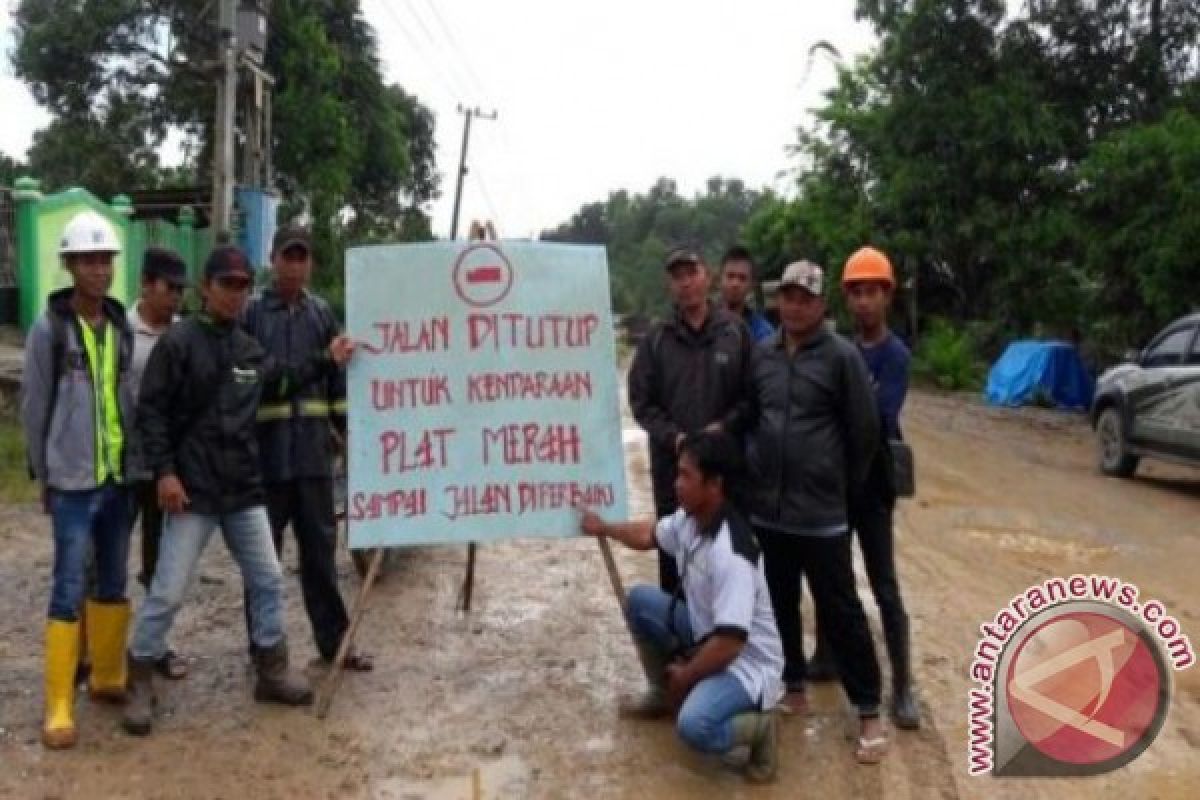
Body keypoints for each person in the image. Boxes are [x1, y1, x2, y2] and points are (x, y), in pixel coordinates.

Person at [122, 245, 356, 736]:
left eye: (242, 285)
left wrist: (326, 358)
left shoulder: (248, 349)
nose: (235, 293)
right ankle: (139, 678)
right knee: (167, 591)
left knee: (268, 579)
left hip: (244, 492)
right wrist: (165, 472)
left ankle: (271, 670)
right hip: (194, 494)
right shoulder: (179, 344)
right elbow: (152, 414)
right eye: (226, 284)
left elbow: (283, 381)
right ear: (205, 289)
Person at [746, 260, 889, 764]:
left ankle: (869, 710)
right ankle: (794, 686)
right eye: (787, 296)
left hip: (823, 513)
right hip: (770, 511)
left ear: (821, 305)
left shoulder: (841, 357)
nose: (795, 305)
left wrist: (841, 487)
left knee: (842, 610)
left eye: (805, 298)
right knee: (779, 603)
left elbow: (864, 432)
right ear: (777, 301)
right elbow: (751, 417)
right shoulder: (761, 355)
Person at [579, 431, 782, 783]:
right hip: (709, 636)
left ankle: (760, 728)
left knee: (694, 726)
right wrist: (605, 527)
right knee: (641, 602)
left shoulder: (731, 552)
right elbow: (648, 536)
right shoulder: (691, 521)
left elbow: (731, 643)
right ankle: (662, 693)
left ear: (715, 484)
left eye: (686, 475)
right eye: (678, 473)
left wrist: (687, 677)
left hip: (745, 661)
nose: (676, 483)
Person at [21, 210, 136, 749]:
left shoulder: (118, 325)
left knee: (112, 576)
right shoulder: (50, 329)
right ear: (69, 265)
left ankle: (108, 676)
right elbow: (34, 405)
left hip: (115, 478)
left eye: (105, 260)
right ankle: (60, 704)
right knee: (68, 584)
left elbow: (123, 399)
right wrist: (43, 473)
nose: (98, 269)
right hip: (70, 481)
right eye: (87, 260)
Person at [241, 225, 370, 671]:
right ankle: (264, 650)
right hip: (267, 461)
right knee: (263, 563)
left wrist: (349, 429)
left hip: (315, 461)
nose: (295, 265)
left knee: (320, 556)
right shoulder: (252, 314)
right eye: (287, 256)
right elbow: (259, 380)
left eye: (302, 257)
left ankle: (334, 644)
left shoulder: (321, 314)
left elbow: (338, 385)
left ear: (309, 263)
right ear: (272, 259)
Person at [628, 247, 755, 593]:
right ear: (670, 285)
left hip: (724, 474)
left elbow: (752, 397)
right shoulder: (656, 339)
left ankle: (724, 638)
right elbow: (641, 402)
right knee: (675, 552)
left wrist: (725, 428)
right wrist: (675, 439)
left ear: (707, 276)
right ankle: (677, 639)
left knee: (728, 555)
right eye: (677, 276)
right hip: (674, 470)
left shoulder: (735, 332)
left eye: (691, 273)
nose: (685, 283)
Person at [837, 246, 919, 728]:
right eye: (857, 292)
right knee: (833, 578)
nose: (865, 301)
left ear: (887, 296)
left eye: (872, 291)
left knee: (884, 585)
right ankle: (828, 657)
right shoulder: (842, 352)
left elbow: (879, 415)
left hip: (873, 487)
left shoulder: (896, 356)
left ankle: (903, 684)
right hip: (838, 482)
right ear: (848, 300)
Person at [126, 246, 189, 680]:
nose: (176, 297)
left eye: (181, 289)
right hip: (120, 464)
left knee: (159, 561)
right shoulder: (120, 332)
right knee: (103, 559)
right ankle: (99, 655)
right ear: (146, 284)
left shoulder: (184, 335)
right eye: (169, 287)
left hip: (165, 466)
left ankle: (154, 647)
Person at [718, 246, 773, 342]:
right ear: (719, 279)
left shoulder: (763, 332)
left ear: (751, 284)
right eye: (730, 276)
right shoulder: (702, 322)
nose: (735, 284)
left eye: (742, 278)